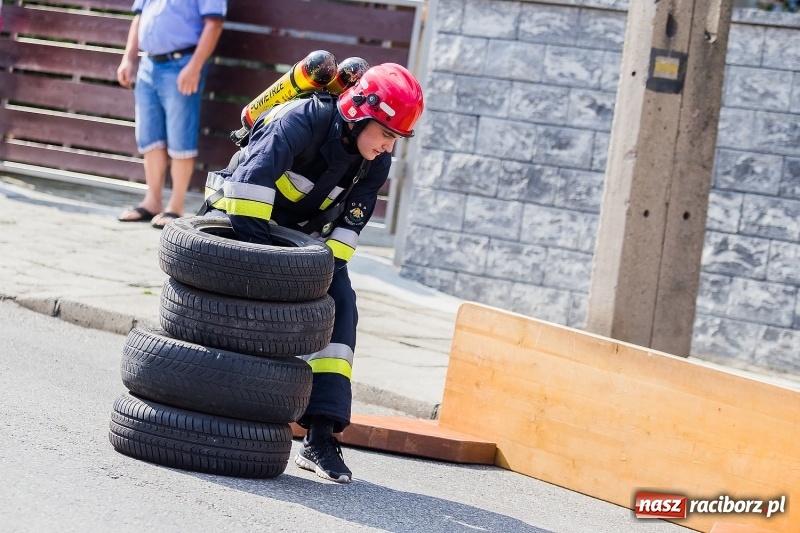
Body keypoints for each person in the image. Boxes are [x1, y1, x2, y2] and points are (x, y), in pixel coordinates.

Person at [201, 63, 424, 483]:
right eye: (388, 135)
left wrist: (316, 277)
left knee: (341, 302)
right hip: (238, 218)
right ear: (360, 111)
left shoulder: (373, 164)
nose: (389, 148)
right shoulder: (301, 118)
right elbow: (247, 192)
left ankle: (320, 436)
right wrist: (274, 270)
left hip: (297, 241)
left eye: (396, 140)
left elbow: (345, 236)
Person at [117, 0, 226, 229]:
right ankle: (152, 201)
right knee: (150, 137)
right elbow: (139, 17)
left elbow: (214, 24)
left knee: (180, 138)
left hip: (182, 64)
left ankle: (175, 207)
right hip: (149, 64)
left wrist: (194, 67)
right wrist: (128, 58)